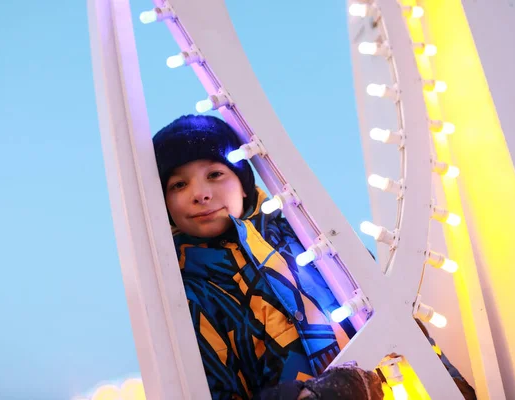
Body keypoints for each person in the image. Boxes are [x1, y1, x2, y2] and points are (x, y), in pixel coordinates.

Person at [152, 114, 474, 400]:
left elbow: (396, 318)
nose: (200, 193)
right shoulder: (189, 296)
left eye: (214, 174)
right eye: (179, 184)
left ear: (243, 181)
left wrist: (449, 382)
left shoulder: (312, 237)